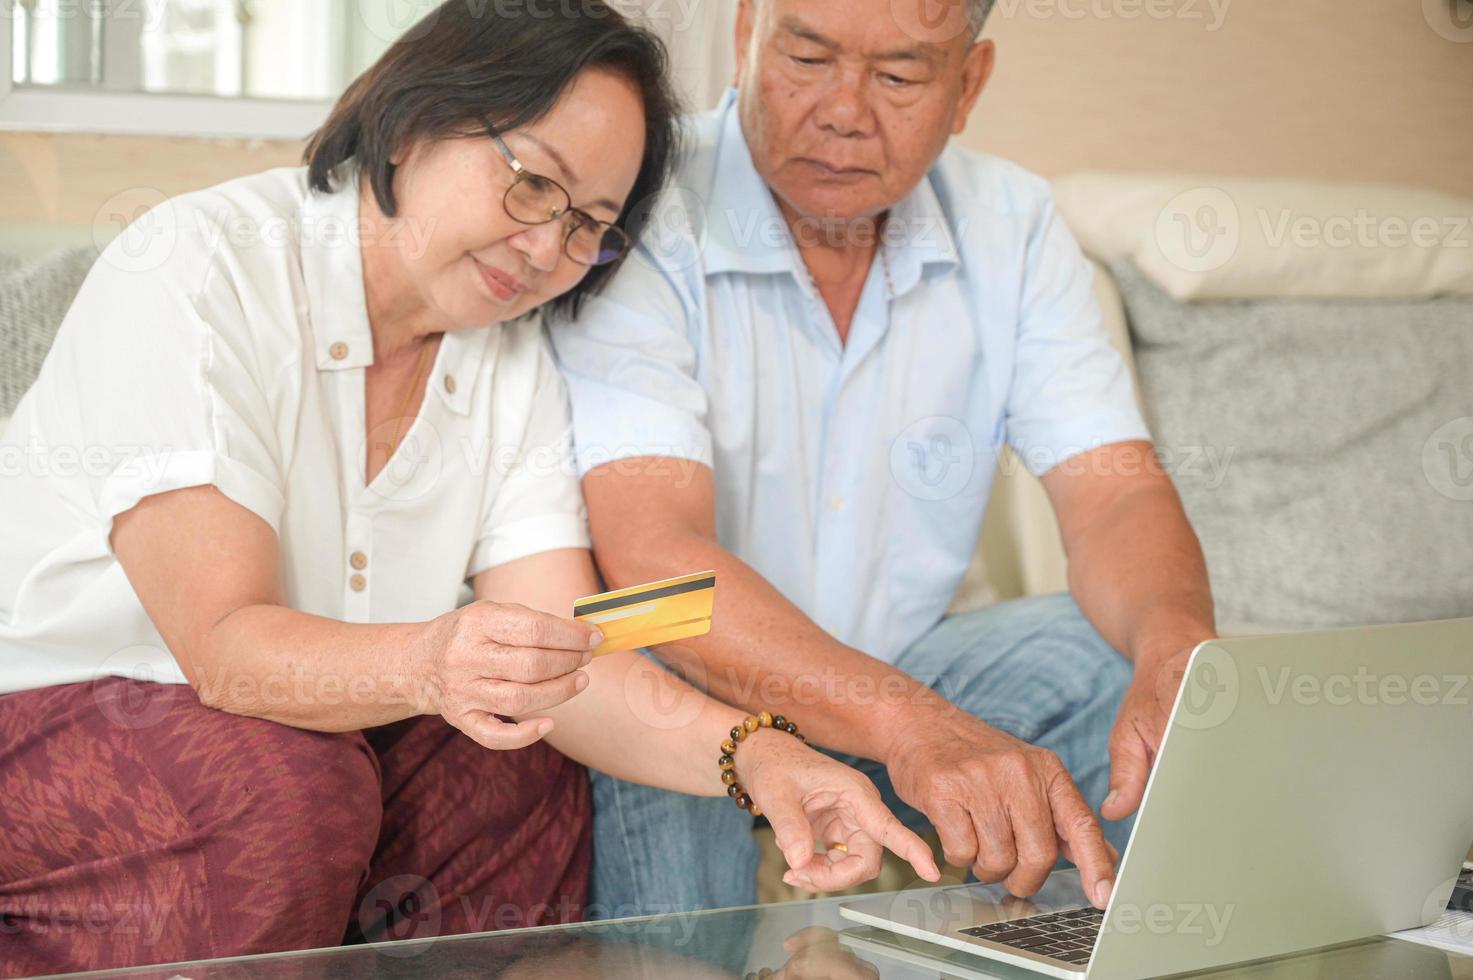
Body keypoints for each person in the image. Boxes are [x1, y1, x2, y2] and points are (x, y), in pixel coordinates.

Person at [0, 4, 940, 976]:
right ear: (411, 121)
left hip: (302, 735)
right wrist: (434, 659)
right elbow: (227, 651)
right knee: (288, 781)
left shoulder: (506, 355)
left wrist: (760, 753)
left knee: (517, 758)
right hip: (51, 720)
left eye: (589, 227)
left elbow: (570, 656)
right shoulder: (202, 268)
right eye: (534, 183)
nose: (546, 250)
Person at [550, 0, 1218, 916]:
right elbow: (648, 563)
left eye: (899, 77)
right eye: (808, 57)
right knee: (650, 659)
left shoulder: (1010, 222)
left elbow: (1111, 495)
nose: (844, 111)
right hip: (694, 668)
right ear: (748, 35)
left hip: (904, 663)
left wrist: (1176, 650)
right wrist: (913, 727)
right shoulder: (644, 192)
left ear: (967, 84)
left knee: (1107, 656)